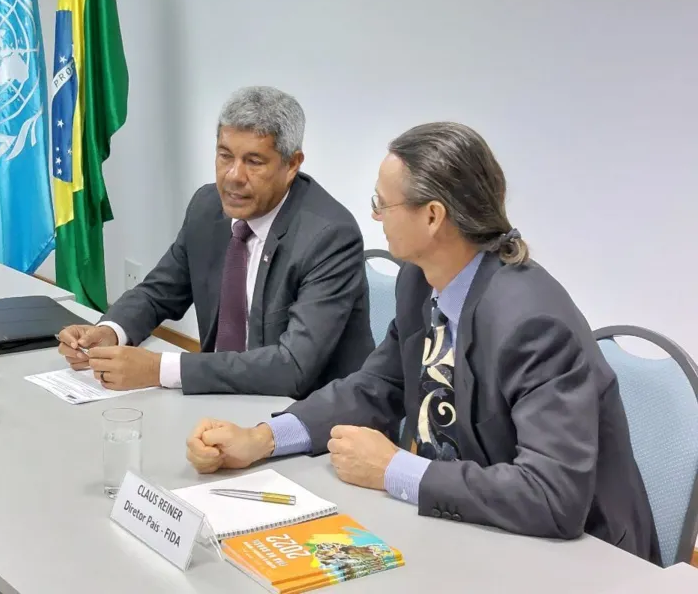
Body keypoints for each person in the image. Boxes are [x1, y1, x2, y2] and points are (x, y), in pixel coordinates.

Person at [185, 122, 661, 563]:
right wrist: (263, 438)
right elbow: (374, 387)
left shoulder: (531, 322)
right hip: (475, 532)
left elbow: (553, 496)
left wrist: (396, 470)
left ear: (433, 216)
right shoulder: (420, 282)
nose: (375, 217)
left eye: (382, 204)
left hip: (583, 558)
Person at [57, 86, 375, 397]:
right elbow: (158, 293)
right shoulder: (207, 207)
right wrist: (111, 331)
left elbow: (292, 367)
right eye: (225, 156)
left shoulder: (329, 236)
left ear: (292, 164)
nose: (233, 176)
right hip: (222, 400)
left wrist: (159, 369)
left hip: (313, 419)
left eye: (254, 161)